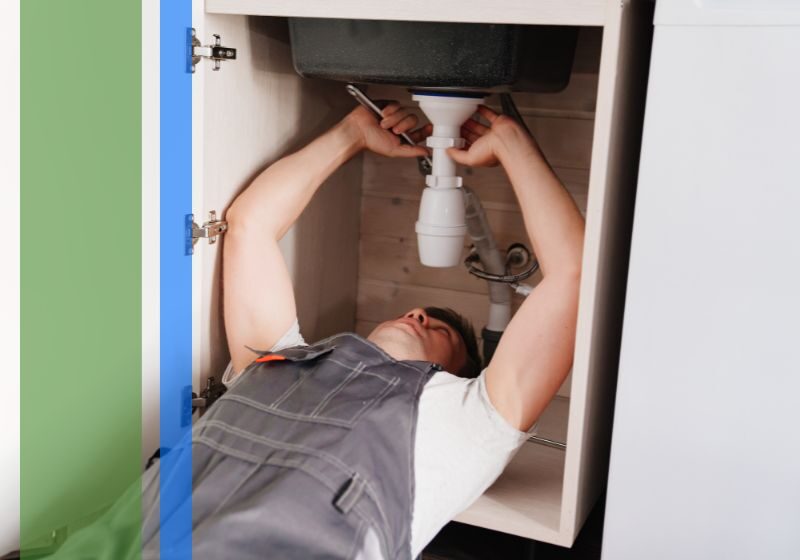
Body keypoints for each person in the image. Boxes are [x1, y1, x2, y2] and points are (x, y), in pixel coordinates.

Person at [210, 100, 585, 559]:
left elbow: (573, 274)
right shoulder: (275, 360)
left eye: (441, 331)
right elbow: (250, 224)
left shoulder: (475, 420)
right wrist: (352, 133)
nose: (418, 314)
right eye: (419, 314)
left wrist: (511, 144)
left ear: (459, 377)